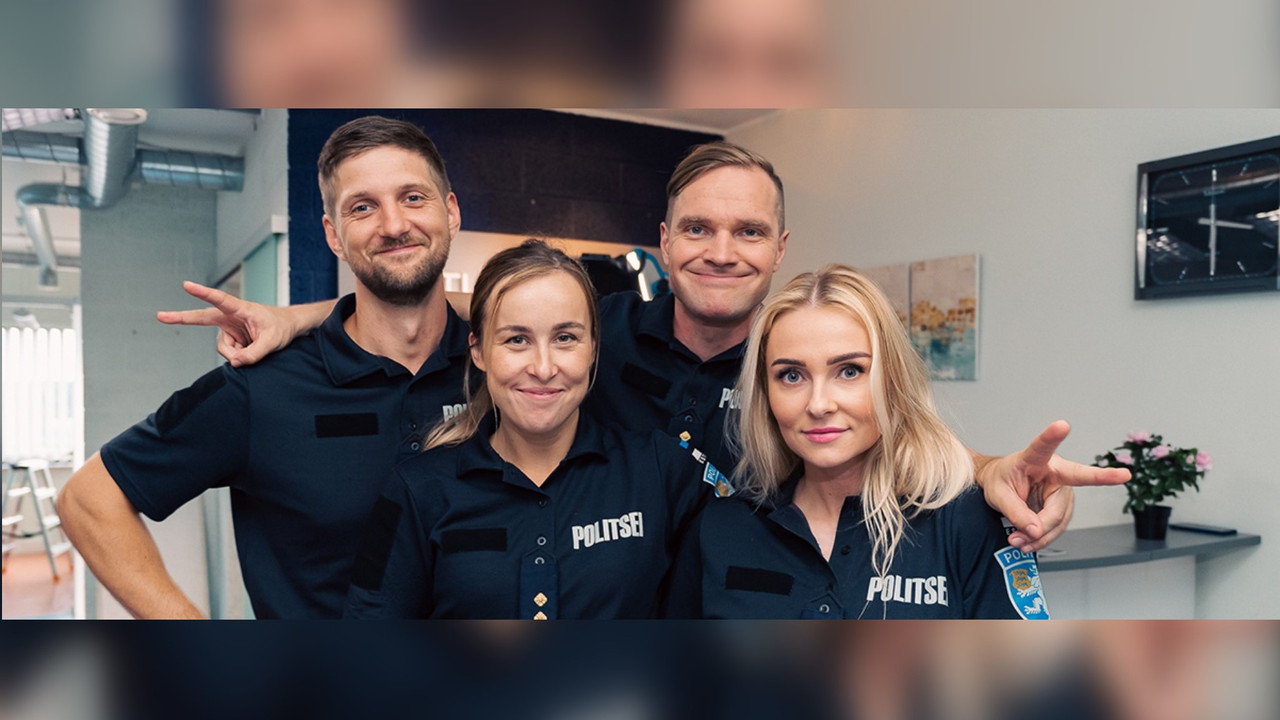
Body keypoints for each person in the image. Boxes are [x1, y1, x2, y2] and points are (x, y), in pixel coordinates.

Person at [158, 139, 1128, 555]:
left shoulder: (798, 356)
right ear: (662, 240)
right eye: (696, 228)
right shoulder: (598, 332)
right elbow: (453, 306)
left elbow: (889, 436)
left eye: (747, 232)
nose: (720, 250)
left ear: (779, 248)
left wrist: (995, 466)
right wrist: (302, 317)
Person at [58, 116, 470, 618]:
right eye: (362, 207)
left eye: (413, 197)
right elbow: (87, 500)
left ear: (450, 212)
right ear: (334, 236)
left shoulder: (505, 372)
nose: (394, 224)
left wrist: (298, 314)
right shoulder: (261, 389)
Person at [344, 239, 717, 618]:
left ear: (593, 348)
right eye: (517, 339)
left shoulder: (659, 470)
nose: (542, 368)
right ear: (479, 351)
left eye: (565, 338)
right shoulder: (418, 490)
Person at [668, 265, 1039, 618]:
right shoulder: (721, 527)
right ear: (766, 393)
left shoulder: (964, 521)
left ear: (891, 381)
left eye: (849, 371)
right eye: (791, 376)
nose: (818, 405)